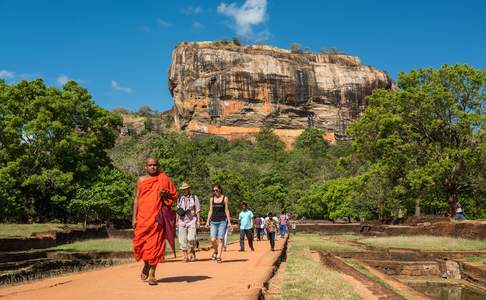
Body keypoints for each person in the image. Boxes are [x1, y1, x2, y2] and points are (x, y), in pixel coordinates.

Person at [132, 157, 178, 285]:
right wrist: (134, 218)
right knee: (141, 245)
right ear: (146, 166)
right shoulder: (141, 180)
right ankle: (146, 264)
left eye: (155, 165)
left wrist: (165, 194)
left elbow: (174, 196)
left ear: (158, 166)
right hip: (142, 219)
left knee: (156, 246)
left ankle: (152, 274)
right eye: (150, 165)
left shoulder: (164, 179)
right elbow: (137, 199)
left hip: (157, 219)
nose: (153, 167)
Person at [205, 184, 231, 263]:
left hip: (222, 221)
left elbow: (227, 210)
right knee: (213, 239)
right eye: (214, 190)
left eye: (216, 190)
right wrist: (207, 221)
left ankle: (219, 256)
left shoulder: (225, 198)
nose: (215, 192)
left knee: (220, 239)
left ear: (220, 190)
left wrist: (229, 222)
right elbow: (210, 210)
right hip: (213, 221)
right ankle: (216, 251)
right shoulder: (211, 199)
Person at [176, 182, 200, 262]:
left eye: (186, 188)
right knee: (182, 239)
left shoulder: (194, 197)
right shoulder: (180, 198)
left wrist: (198, 221)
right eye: (183, 189)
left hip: (192, 220)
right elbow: (178, 210)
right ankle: (185, 256)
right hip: (182, 221)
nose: (185, 190)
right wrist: (177, 221)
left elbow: (197, 210)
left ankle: (192, 251)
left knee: (191, 238)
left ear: (189, 189)